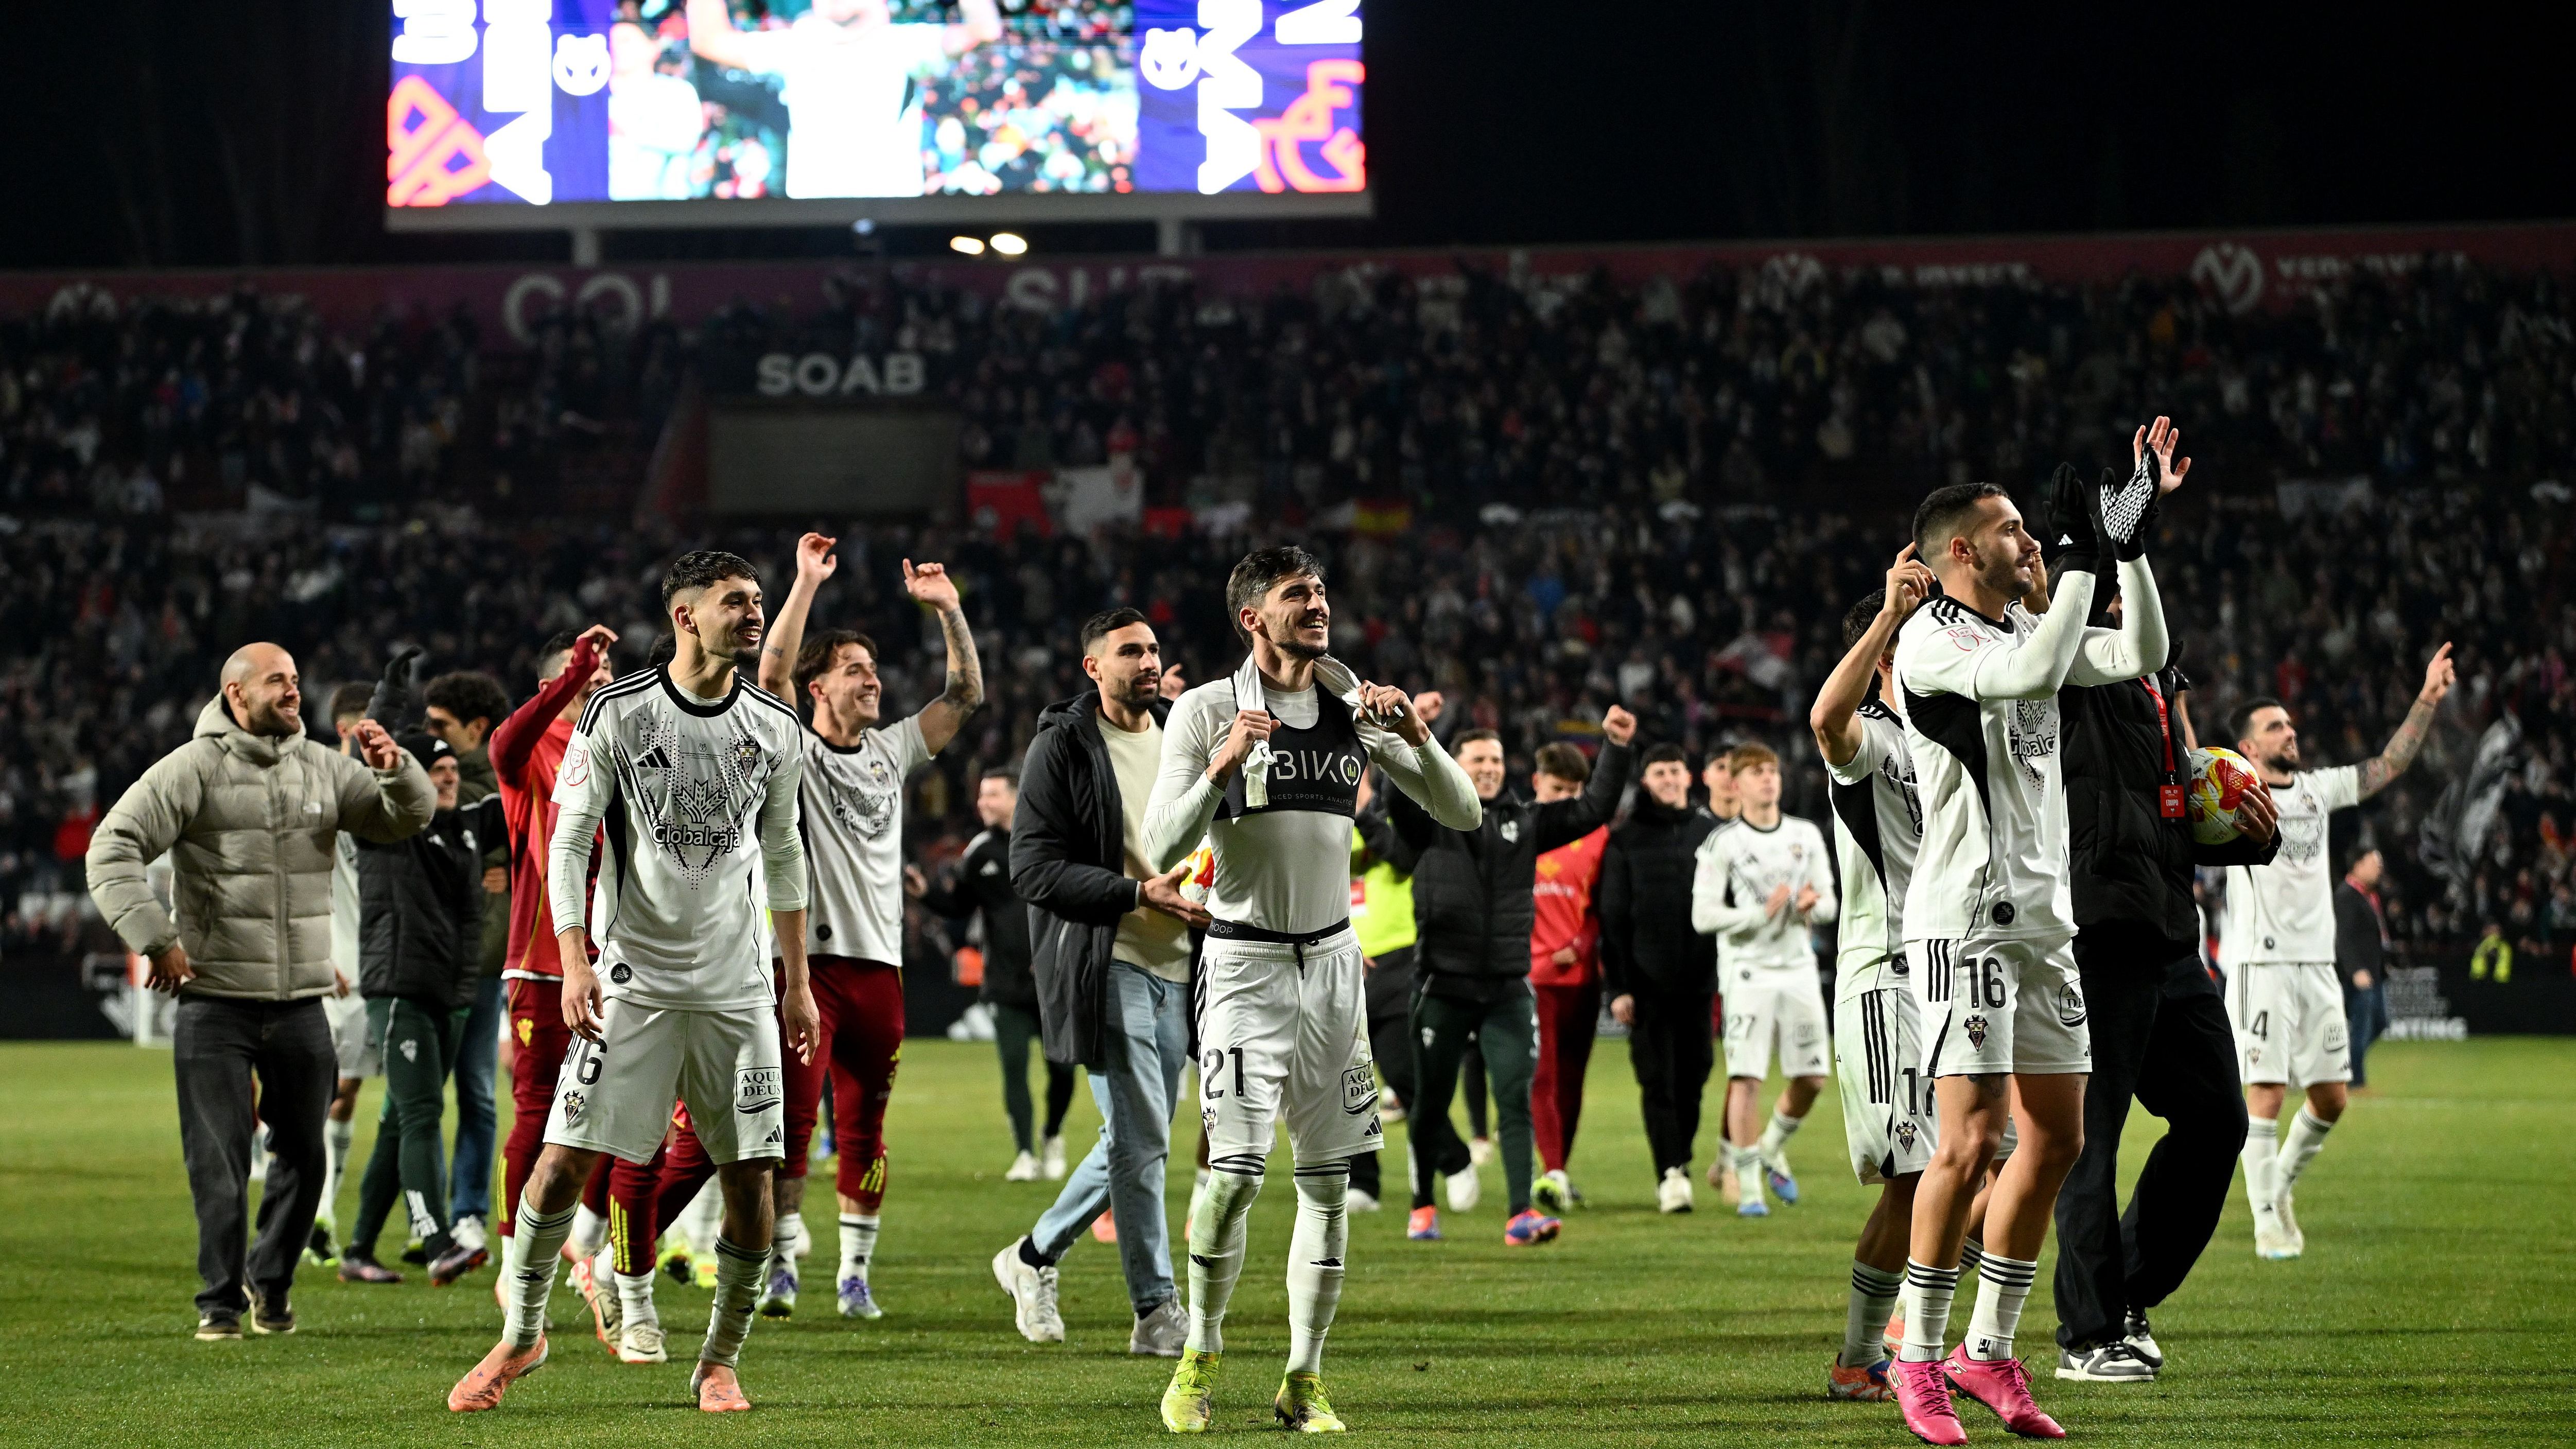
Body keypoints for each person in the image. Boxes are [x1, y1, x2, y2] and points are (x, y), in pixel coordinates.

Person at [449, 549, 815, 1415]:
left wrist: (794, 980)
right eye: (735, 601)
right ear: (685, 616)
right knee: (560, 1164)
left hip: (737, 993)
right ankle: (522, 1335)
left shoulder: (772, 725)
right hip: (634, 981)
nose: (752, 613)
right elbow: (570, 840)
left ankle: (719, 1361)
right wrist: (575, 958)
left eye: (756, 599)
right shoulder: (616, 712)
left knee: (751, 1182)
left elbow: (787, 855)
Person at [1143, 546, 1483, 1433]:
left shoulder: (1350, 705)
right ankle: (1199, 1353)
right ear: (1251, 616)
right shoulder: (1203, 709)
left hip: (1333, 969)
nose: (1317, 604)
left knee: (1328, 1186)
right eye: (1297, 594)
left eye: (1322, 589)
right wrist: (1219, 765)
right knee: (1235, 1176)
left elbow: (1462, 811)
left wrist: (1413, 734)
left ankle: (1303, 1378)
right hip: (1244, 966)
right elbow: (1159, 845)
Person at [1886, 445, 2169, 1445]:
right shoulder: (1930, 640)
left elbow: (2138, 653)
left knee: (2062, 1138)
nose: (2029, 540)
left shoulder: (2018, 627)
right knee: (1968, 1142)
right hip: (1967, 917)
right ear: (1962, 549)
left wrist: (2125, 550)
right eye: (2012, 528)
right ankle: (1917, 1359)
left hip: (2047, 922)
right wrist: (2084, 552)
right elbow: (2043, 666)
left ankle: (1988, 1349)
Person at [86, 643, 433, 1340]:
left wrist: (399, 774)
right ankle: (219, 1300)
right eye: (278, 680)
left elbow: (405, 818)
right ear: (236, 693)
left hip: (304, 999)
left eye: (297, 679)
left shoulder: (325, 768)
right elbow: (112, 845)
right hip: (215, 999)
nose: (294, 690)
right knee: (219, 1157)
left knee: (306, 1154)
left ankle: (268, 1283)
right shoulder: (193, 767)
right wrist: (156, 935)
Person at [2042, 440, 2289, 1384]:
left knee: (2215, 1120)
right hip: (2094, 926)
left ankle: (2130, 1292)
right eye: (2106, 567)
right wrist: (2110, 538)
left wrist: (2240, 831)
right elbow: (2103, 610)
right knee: (2085, 1138)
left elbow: (2176, 799)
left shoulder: (2157, 677)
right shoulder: (2056, 658)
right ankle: (2086, 1335)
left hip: (2167, 927)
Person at [756, 531, 986, 1321]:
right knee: (791, 1124)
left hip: (880, 969)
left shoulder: (892, 751)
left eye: (874, 667)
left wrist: (950, 609)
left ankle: (854, 1274)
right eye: (853, 669)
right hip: (809, 970)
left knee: (866, 1128)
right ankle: (782, 1263)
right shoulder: (793, 745)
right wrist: (805, 582)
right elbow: (771, 672)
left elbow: (964, 699)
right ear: (819, 687)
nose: (872, 679)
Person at [991, 607, 1210, 1355]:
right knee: (1143, 1135)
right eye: (1129, 651)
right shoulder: (1063, 745)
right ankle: (1157, 1309)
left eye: (1153, 649)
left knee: (1134, 1135)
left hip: (1181, 962)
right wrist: (1134, 893)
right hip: (1107, 958)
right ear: (1094, 667)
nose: (1147, 661)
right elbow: (1033, 868)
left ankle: (1032, 1255)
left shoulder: (1184, 730)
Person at [2224, 641, 2453, 1261]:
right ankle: (2266, 1219)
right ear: (2249, 746)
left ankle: (2280, 1185)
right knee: (2266, 1092)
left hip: (2317, 963)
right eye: (2275, 726)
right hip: (2261, 963)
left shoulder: (2319, 790)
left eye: (2290, 723)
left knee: (2331, 1098)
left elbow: (2388, 766)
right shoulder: (2229, 793)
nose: (2289, 731)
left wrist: (2426, 700)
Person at [1384, 714, 1633, 1246]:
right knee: (1430, 1101)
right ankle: (1422, 1204)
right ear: (1454, 765)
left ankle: (1520, 1214)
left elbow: (1594, 809)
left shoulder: (1524, 820)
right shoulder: (1430, 815)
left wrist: (1614, 747)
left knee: (1515, 1097)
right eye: (1478, 761)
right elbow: (1397, 796)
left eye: (1496, 761)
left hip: (1505, 986)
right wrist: (1404, 739)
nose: (1490, 769)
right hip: (1442, 985)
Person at [1808, 557, 1934, 1402]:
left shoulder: (1940, 740)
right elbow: (1824, 720)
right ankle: (1864, 1354)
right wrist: (1886, 619)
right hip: (1884, 981)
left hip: (1950, 977)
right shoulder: (1870, 741)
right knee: (1914, 1178)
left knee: (1991, 1162)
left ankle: (1907, 1336)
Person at [485, 624, 621, 1318]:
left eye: (604, 681)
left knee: (624, 1116)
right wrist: (575, 673)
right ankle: (516, 1261)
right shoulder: (533, 750)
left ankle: (587, 1242)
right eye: (584, 684)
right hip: (544, 964)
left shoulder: (624, 756)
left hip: (622, 966)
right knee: (537, 1110)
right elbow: (501, 744)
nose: (599, 690)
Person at [340, 734, 506, 1288]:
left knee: (397, 1123)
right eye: (435, 770)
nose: (449, 777)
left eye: (452, 768)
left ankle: (359, 1248)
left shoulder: (466, 830)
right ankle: (436, 1241)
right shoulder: (392, 829)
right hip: (401, 989)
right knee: (422, 1112)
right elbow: (380, 780)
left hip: (452, 995)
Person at [1694, 741, 1836, 1219]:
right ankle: (1750, 1187)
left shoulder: (1806, 834)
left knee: (1814, 1077)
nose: (1768, 779)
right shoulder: (1724, 842)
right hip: (1748, 970)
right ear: (1737, 785)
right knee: (1747, 1078)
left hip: (1797, 966)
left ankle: (1773, 1145)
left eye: (1772, 771)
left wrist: (1813, 905)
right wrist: (1759, 912)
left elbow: (1833, 903)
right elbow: (1703, 915)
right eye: (1756, 772)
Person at [913, 765, 1069, 1180]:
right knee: (1014, 1066)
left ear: (1018, 797)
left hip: (1053, 981)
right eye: (982, 795)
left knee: (1064, 1070)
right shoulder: (980, 850)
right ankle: (1024, 1153)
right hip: (1004, 981)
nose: (983, 802)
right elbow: (959, 907)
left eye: (992, 794)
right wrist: (926, 894)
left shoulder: (1053, 841)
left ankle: (1052, 1133)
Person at [683, 0, 1002, 200]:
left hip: (894, 213)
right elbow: (709, 40)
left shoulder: (903, 43)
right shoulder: (799, 44)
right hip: (816, 216)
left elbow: (983, 30)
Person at [1601, 744, 1723, 1211]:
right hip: (1646, 986)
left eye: (1674, 770)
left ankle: (1680, 1160)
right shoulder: (1626, 837)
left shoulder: (1710, 833)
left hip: (1699, 982)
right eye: (1659, 772)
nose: (1668, 778)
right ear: (1646, 780)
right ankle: (1670, 1172)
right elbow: (1613, 917)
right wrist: (1619, 986)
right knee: (1658, 1081)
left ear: (1688, 776)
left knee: (1695, 1076)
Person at [424, 668, 514, 1247]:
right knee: (421, 1099)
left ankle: (469, 1214)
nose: (429, 734)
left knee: (477, 1093)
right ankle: (430, 1216)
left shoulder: (504, 787)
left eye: (441, 725)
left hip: (480, 965)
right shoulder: (425, 782)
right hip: (431, 963)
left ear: (477, 728)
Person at [306, 681, 389, 1266]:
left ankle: (322, 1216)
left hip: (378, 969)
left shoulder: (390, 789)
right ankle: (314, 1212)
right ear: (344, 730)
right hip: (326, 967)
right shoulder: (317, 793)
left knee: (347, 1093)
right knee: (325, 1091)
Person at [1527, 742, 1612, 1215]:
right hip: (1530, 974)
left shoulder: (1596, 835)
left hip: (1580, 978)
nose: (1566, 797)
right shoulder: (1518, 828)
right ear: (1538, 782)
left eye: (1574, 790)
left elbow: (1602, 909)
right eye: (1558, 788)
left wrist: (1580, 946)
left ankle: (1559, 1169)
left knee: (1572, 1080)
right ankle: (1553, 1168)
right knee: (1542, 1076)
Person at [2336, 849, 2392, 1090]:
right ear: (2357, 865)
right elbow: (2343, 938)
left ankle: (2345, 1064)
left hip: (2373, 973)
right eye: (2373, 863)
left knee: (2379, 1023)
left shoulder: (2369, 896)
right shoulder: (2346, 896)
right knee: (2362, 1026)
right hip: (2357, 976)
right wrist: (2355, 969)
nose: (2379, 867)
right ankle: (2355, 1082)